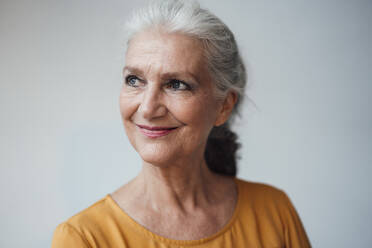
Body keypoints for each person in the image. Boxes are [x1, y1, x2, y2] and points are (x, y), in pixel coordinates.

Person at [52, 0, 312, 247]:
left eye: (176, 84)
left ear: (224, 106)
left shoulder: (275, 213)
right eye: (134, 80)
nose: (148, 108)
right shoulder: (84, 239)